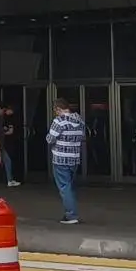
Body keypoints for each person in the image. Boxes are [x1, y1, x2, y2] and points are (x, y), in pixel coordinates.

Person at [45, 95, 85, 224]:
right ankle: (71, 212)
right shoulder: (79, 121)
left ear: (58, 109)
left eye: (55, 110)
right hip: (74, 159)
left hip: (60, 159)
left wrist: (48, 137)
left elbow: (50, 139)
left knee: (64, 187)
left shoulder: (59, 121)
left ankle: (71, 215)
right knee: (70, 186)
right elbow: (82, 136)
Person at [0, 100, 19, 188]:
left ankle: (9, 180)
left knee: (5, 161)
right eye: (3, 110)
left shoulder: (0, 119)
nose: (3, 112)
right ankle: (9, 180)